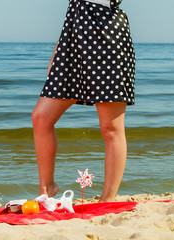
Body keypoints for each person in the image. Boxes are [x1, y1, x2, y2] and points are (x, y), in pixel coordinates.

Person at [32, 0, 135, 202]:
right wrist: (57, 53)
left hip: (107, 40)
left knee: (111, 127)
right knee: (41, 117)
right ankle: (47, 188)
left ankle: (107, 198)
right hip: (73, 42)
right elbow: (75, 11)